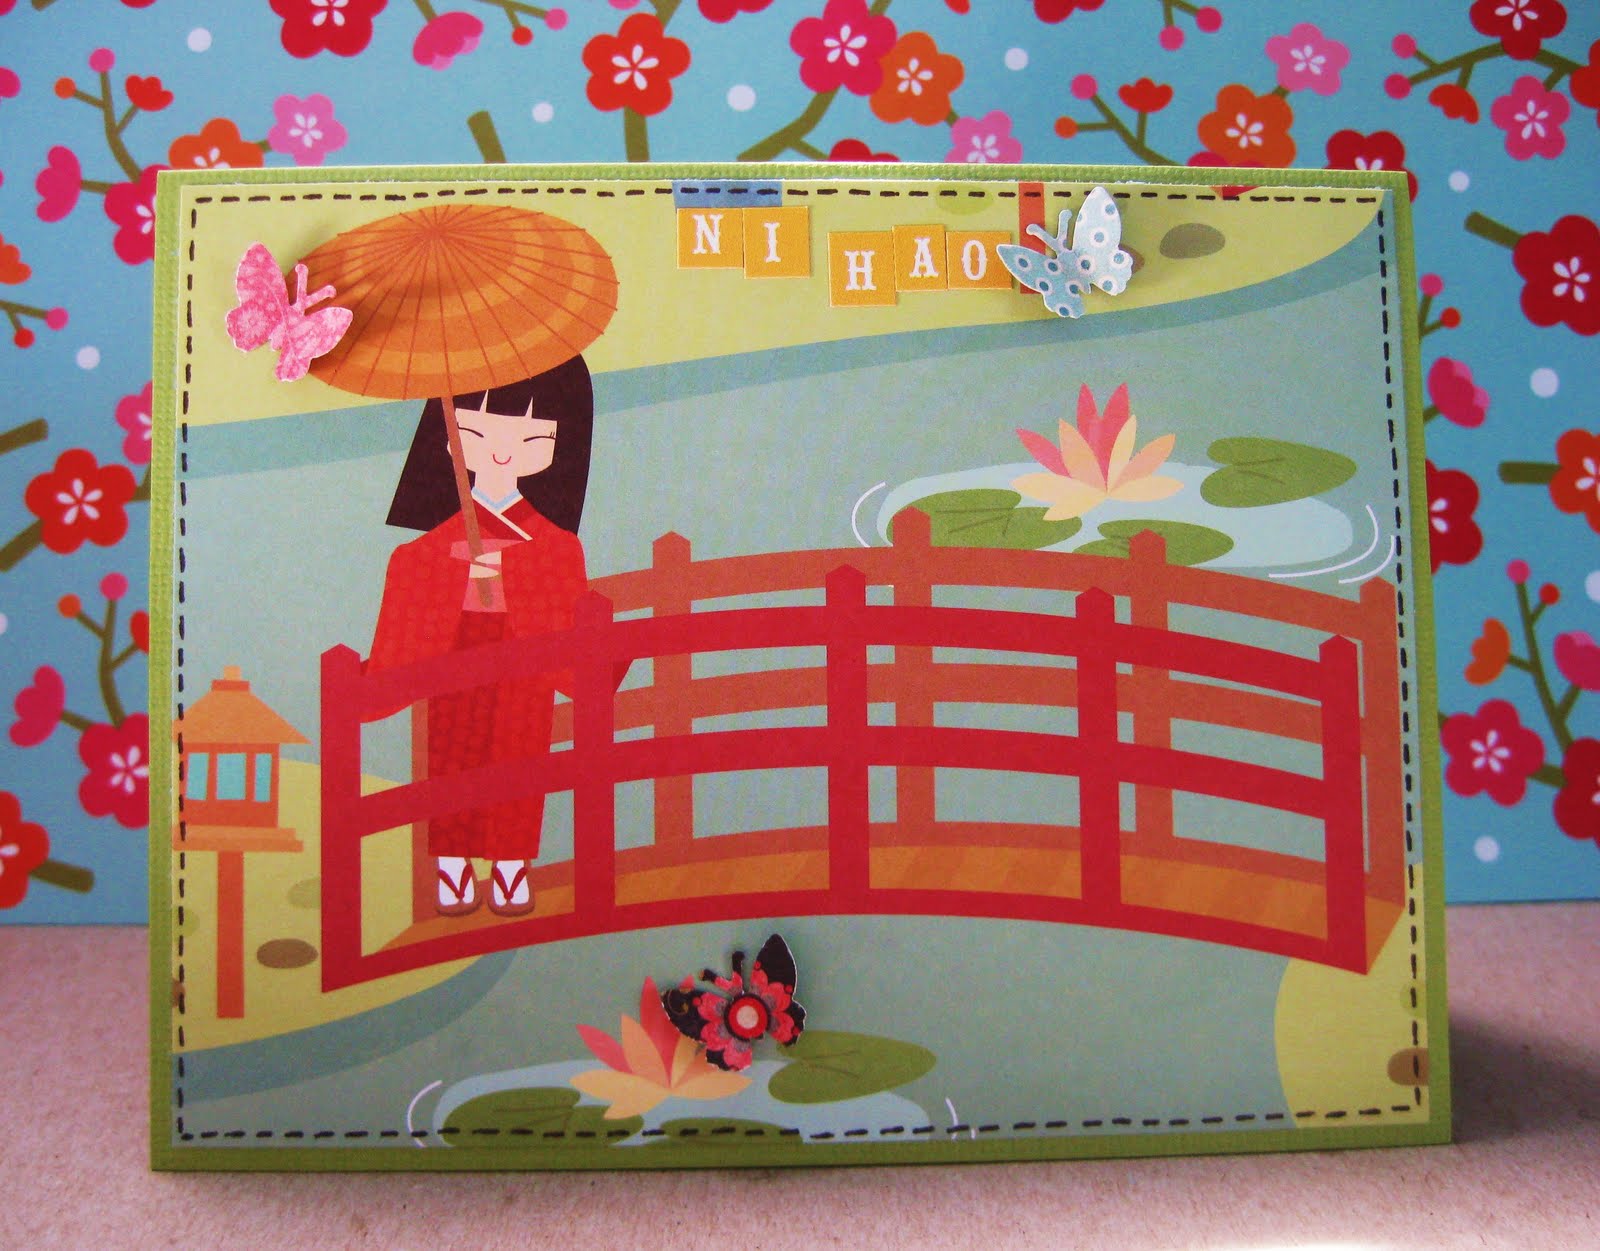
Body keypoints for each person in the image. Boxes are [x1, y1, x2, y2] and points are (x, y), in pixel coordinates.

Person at [365, 356, 594, 918]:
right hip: (455, 660)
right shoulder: (425, 549)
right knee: (451, 760)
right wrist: (459, 576)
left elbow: (562, 611)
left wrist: (512, 580)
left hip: (521, 670)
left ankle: (511, 866)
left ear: (556, 445)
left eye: (530, 437)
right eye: (479, 431)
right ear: (450, 438)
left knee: (519, 761)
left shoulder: (556, 546)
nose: (502, 451)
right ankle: (452, 866)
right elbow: (413, 588)